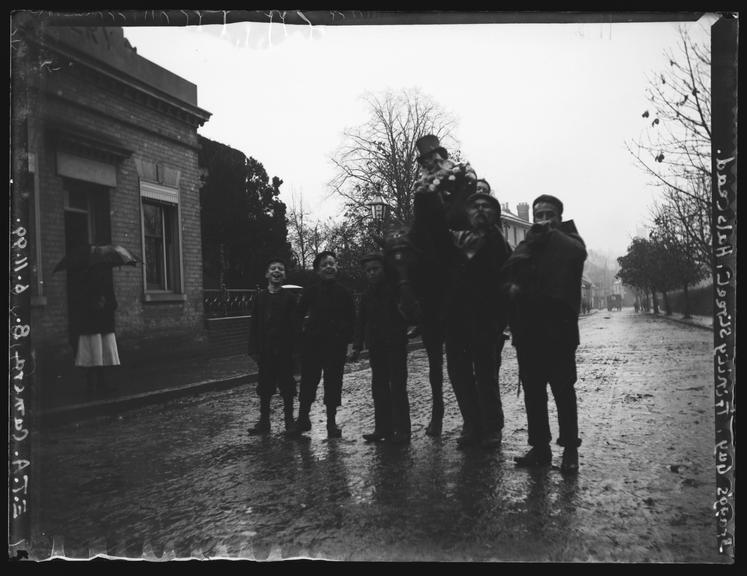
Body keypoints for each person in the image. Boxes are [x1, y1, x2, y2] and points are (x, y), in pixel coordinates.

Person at [413, 176, 512, 450]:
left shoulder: (500, 246)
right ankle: (472, 424)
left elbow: (508, 284)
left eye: (487, 206)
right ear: (466, 213)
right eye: (474, 206)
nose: (480, 210)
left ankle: (492, 427)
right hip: (456, 321)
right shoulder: (453, 240)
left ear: (495, 214)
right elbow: (429, 231)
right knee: (459, 376)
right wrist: (425, 197)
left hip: (486, 323)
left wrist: (499, 321)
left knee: (486, 377)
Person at [502, 194, 587, 473]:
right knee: (533, 395)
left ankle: (570, 450)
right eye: (538, 215)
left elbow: (576, 254)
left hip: (559, 333)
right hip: (529, 334)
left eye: (549, 214)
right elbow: (511, 269)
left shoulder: (570, 240)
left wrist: (552, 233)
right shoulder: (530, 243)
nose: (543, 220)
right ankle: (540, 448)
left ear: (560, 217)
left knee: (563, 392)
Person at [291, 251, 355, 438]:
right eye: (324, 264)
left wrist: (351, 344)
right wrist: (301, 336)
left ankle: (331, 423)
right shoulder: (311, 291)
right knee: (309, 382)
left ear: (337, 267)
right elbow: (298, 314)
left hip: (336, 346)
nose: (329, 267)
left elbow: (352, 319)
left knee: (333, 383)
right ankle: (303, 419)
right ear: (318, 270)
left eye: (332, 264)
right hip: (313, 345)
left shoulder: (344, 292)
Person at [350, 253, 413, 445]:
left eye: (375, 269)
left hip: (395, 345)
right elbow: (361, 321)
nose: (371, 273)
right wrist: (357, 346)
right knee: (379, 388)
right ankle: (382, 428)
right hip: (376, 347)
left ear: (384, 269)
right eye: (368, 270)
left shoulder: (394, 290)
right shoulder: (367, 294)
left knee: (397, 388)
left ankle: (403, 429)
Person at [247, 258, 299, 436]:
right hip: (265, 350)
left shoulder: (290, 299)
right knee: (265, 386)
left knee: (287, 386)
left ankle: (289, 422)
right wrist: (253, 349)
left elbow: (295, 326)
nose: (277, 271)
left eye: (281, 269)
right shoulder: (260, 297)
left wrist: (295, 351)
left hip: (284, 350)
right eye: (273, 269)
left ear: (284, 275)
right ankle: (264, 422)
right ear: (267, 274)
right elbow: (254, 324)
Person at [73, 261, 120, 392]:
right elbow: (113, 304)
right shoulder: (89, 283)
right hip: (95, 324)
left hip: (96, 324)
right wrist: (98, 304)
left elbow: (113, 303)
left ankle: (96, 384)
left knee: (96, 354)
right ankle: (96, 384)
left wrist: (104, 303)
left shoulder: (86, 282)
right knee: (96, 354)